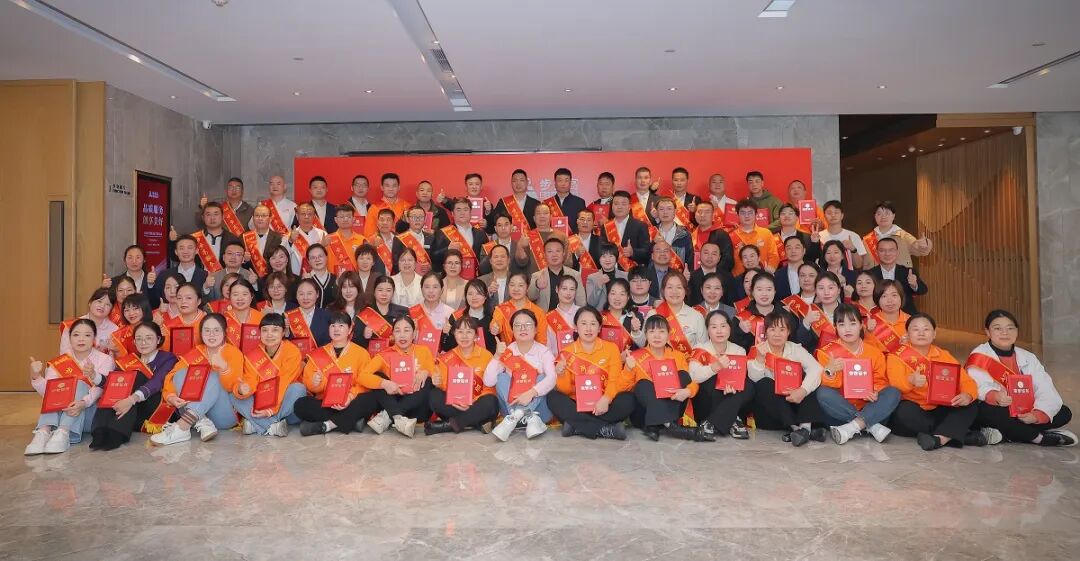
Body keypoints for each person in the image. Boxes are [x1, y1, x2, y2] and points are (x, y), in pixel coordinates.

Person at [886, 313, 999, 450]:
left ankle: (940, 439)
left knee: (970, 403)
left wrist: (967, 395)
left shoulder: (943, 355)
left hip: (940, 407)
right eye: (915, 329)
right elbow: (895, 383)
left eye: (926, 329)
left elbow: (966, 381)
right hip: (914, 409)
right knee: (904, 412)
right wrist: (910, 381)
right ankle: (960, 435)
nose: (921, 333)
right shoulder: (896, 356)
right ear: (907, 334)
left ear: (934, 334)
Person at [967, 309, 1075, 446]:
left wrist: (1037, 415)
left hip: (1024, 411)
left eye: (1010, 328)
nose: (1005, 333)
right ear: (988, 332)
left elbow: (1045, 388)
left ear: (1017, 331)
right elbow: (977, 386)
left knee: (1063, 412)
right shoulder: (980, 355)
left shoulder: (1028, 357)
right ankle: (1037, 437)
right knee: (988, 412)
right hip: (998, 408)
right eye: (998, 328)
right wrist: (995, 396)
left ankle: (1008, 434)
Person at [151, 314, 244, 445]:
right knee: (180, 374)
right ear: (201, 333)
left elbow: (232, 387)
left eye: (216, 330)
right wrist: (170, 396)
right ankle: (201, 420)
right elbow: (172, 376)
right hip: (200, 416)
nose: (211, 334)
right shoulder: (196, 352)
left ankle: (183, 426)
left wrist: (223, 368)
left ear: (225, 332)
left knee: (213, 376)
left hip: (224, 413)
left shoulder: (233, 352)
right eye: (207, 330)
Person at [25, 319, 114, 455]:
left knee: (79, 383)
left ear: (94, 338)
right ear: (70, 338)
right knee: (55, 387)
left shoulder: (105, 360)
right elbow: (48, 393)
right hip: (61, 412)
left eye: (87, 335)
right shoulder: (60, 361)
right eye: (76, 335)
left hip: (89, 413)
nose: (81, 339)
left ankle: (63, 432)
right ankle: (43, 432)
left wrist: (83, 403)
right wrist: (36, 377)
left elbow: (101, 389)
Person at [815, 304, 900, 444]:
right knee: (823, 392)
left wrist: (874, 391)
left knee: (893, 392)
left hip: (870, 407)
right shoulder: (827, 353)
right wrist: (830, 371)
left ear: (861, 325)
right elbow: (830, 386)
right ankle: (870, 426)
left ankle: (852, 427)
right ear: (835, 327)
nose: (847, 329)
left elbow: (881, 382)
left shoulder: (875, 353)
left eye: (852, 323)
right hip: (841, 410)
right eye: (841, 324)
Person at [89, 321, 178, 450]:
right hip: (133, 413)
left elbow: (157, 382)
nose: (143, 342)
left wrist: (131, 400)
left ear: (158, 339)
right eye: (139, 339)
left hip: (154, 408)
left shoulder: (168, 358)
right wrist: (94, 375)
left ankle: (117, 433)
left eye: (149, 338)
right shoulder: (130, 360)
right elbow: (113, 382)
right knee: (116, 386)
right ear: (134, 342)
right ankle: (100, 430)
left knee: (137, 376)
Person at [548, 307, 633, 440]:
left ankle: (577, 426)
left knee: (629, 399)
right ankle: (605, 429)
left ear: (599, 328)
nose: (588, 328)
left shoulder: (611, 348)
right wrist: (561, 374)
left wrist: (606, 399)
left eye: (593, 324)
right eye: (583, 323)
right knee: (553, 397)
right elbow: (565, 390)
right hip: (577, 404)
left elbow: (614, 380)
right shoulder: (567, 352)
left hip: (604, 403)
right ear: (576, 327)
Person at [747, 311, 827, 446]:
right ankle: (799, 430)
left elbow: (816, 368)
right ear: (765, 332)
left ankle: (805, 428)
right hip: (772, 413)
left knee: (807, 379)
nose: (777, 334)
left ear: (788, 332)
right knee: (764, 383)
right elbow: (754, 379)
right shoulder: (757, 350)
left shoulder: (795, 348)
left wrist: (803, 390)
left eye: (782, 329)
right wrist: (760, 359)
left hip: (795, 403)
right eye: (772, 329)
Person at [294, 311, 378, 436]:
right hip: (326, 402)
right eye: (333, 326)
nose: (336, 329)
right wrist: (315, 383)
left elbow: (365, 383)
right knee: (301, 405)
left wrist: (349, 397)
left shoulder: (361, 353)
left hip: (351, 401)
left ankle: (328, 425)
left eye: (341, 326)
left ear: (350, 330)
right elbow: (309, 384)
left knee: (371, 399)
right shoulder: (318, 354)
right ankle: (352, 420)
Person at [627, 315, 705, 441]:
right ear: (646, 335)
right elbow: (622, 388)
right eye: (652, 331)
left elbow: (692, 382)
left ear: (669, 335)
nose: (657, 336)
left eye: (661, 331)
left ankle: (653, 426)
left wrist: (688, 391)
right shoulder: (635, 357)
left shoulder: (678, 356)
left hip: (673, 409)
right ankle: (670, 426)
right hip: (643, 413)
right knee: (642, 384)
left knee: (683, 375)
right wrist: (628, 369)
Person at [358, 315, 438, 437]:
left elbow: (436, 375)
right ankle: (399, 418)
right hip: (393, 402)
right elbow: (362, 376)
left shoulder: (424, 351)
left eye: (406, 330)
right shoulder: (384, 355)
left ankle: (388, 417)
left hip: (417, 410)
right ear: (392, 335)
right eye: (398, 331)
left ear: (414, 334)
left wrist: (426, 372)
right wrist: (384, 383)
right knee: (378, 376)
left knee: (428, 380)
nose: (402, 335)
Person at [484, 309, 556, 441]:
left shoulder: (544, 352)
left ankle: (520, 415)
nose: (523, 328)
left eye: (528, 324)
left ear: (535, 329)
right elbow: (489, 381)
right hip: (509, 410)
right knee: (501, 377)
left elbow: (552, 379)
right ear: (512, 330)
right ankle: (518, 415)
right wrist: (497, 356)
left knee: (542, 377)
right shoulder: (508, 351)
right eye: (517, 325)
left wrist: (532, 393)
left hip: (540, 413)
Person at [230, 314, 307, 437]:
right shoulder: (252, 356)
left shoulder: (292, 352)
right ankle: (273, 426)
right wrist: (243, 389)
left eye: (275, 330)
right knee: (235, 395)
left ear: (283, 332)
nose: (269, 334)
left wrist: (271, 410)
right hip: (261, 403)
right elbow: (250, 381)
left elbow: (283, 382)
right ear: (259, 333)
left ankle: (257, 424)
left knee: (298, 388)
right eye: (265, 330)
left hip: (286, 406)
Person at [426, 316, 501, 435]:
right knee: (434, 395)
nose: (464, 336)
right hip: (455, 405)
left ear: (476, 335)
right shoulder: (447, 358)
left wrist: (472, 401)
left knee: (491, 401)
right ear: (454, 334)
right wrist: (454, 400)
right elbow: (443, 386)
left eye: (469, 332)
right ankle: (475, 421)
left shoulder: (486, 356)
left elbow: (490, 388)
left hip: (477, 404)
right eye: (460, 332)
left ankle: (451, 425)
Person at [688, 310, 753, 440]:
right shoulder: (700, 348)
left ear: (730, 328)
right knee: (712, 379)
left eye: (723, 326)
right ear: (708, 330)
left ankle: (711, 423)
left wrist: (733, 387)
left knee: (749, 386)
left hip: (730, 396)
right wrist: (714, 367)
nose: (719, 331)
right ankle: (733, 420)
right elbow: (693, 377)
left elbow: (739, 378)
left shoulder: (738, 350)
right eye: (714, 327)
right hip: (706, 403)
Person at [731, 272, 815, 351]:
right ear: (752, 292)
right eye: (759, 289)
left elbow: (797, 342)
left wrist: (806, 323)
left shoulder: (785, 314)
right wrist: (741, 331)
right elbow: (736, 350)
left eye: (769, 289)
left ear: (774, 291)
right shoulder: (742, 319)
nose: (764, 294)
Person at [868, 236, 927, 315]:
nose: (887, 254)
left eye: (891, 250)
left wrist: (914, 285)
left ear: (897, 252)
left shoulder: (908, 272)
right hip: (878, 316)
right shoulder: (870, 274)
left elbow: (923, 290)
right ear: (877, 252)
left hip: (906, 315)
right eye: (882, 250)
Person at [863, 200, 932, 268]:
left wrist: (924, 245)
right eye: (879, 214)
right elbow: (862, 262)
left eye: (887, 213)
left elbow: (917, 248)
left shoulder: (903, 236)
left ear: (893, 216)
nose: (883, 216)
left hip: (899, 275)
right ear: (875, 216)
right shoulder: (867, 239)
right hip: (874, 275)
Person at [647, 272, 705, 352]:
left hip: (688, 360)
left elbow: (703, 349)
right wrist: (636, 332)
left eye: (679, 287)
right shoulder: (653, 314)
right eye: (670, 287)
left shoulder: (696, 316)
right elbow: (643, 344)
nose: (674, 292)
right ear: (663, 291)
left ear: (685, 291)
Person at [432, 198, 488, 276]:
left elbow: (486, 258)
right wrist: (447, 249)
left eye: (465, 209)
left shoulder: (480, 233)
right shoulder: (443, 233)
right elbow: (433, 257)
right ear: (452, 213)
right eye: (458, 210)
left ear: (470, 212)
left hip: (475, 278)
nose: (462, 213)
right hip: (451, 277)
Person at [514, 204, 572, 278]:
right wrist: (520, 246)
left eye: (545, 213)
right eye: (538, 213)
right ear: (534, 218)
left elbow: (568, 262)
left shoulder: (561, 236)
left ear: (551, 217)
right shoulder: (526, 237)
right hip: (533, 280)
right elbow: (521, 262)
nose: (542, 216)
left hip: (558, 279)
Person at [528, 237, 585, 310]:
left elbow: (581, 302)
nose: (554, 255)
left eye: (558, 251)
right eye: (550, 251)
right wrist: (537, 285)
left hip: (568, 316)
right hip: (545, 316)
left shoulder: (575, 275)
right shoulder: (537, 275)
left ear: (563, 253)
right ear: (544, 255)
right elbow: (530, 297)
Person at [443, 279, 498, 354]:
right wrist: (446, 333)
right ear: (466, 296)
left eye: (478, 293)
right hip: (461, 359)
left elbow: (497, 346)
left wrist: (496, 332)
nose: (474, 297)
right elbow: (447, 347)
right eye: (470, 294)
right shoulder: (456, 317)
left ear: (485, 296)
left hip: (487, 359)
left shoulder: (493, 317)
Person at [491, 272, 548, 345]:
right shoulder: (501, 309)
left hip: (532, 351)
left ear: (527, 288)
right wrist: (494, 328)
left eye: (521, 285)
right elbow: (495, 324)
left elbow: (541, 341)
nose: (516, 289)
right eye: (512, 285)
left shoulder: (538, 312)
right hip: (508, 351)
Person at [353, 275, 409, 348]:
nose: (384, 294)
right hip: (371, 354)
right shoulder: (365, 313)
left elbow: (408, 338)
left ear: (393, 293)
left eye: (388, 290)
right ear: (374, 291)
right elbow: (355, 343)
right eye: (380, 290)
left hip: (395, 353)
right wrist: (364, 336)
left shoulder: (402, 312)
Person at [730, 199, 780, 277]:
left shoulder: (766, 233)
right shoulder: (731, 236)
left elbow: (774, 256)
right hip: (739, 279)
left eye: (750, 212)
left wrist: (768, 274)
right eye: (743, 213)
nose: (747, 216)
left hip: (762, 277)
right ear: (737, 215)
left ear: (756, 214)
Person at [603, 190, 653, 267]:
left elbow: (647, 252)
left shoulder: (640, 226)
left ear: (630, 206)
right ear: (612, 206)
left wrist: (633, 252)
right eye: (616, 204)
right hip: (609, 270)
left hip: (632, 271)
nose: (619, 207)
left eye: (623, 204)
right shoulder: (606, 226)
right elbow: (601, 250)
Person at [488, 168, 540, 235]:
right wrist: (488, 212)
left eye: (521, 180)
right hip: (508, 240)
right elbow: (492, 224)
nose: (518, 183)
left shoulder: (536, 204)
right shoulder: (503, 203)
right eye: (515, 181)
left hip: (530, 240)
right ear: (511, 183)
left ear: (527, 182)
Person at [242, 204, 288, 279]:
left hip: (272, 279)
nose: (260, 218)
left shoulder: (279, 238)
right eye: (257, 215)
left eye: (264, 216)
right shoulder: (244, 237)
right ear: (253, 218)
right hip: (250, 279)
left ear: (270, 219)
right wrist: (244, 260)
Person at [820, 200, 868, 270]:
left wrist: (853, 249)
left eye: (836, 212)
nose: (833, 215)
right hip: (824, 275)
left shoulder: (853, 236)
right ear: (824, 216)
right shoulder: (819, 237)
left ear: (842, 215)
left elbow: (859, 265)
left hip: (847, 276)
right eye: (829, 213)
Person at [865, 280, 910, 355]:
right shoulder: (870, 323)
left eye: (894, 295)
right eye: (884, 296)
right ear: (877, 299)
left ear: (901, 297)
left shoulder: (911, 322)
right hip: (878, 361)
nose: (889, 300)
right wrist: (868, 332)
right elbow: (866, 352)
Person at [161, 283, 207, 354]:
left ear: (199, 301)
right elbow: (165, 353)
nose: (183, 301)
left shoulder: (208, 322)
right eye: (179, 298)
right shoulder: (169, 326)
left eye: (188, 298)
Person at [690, 202, 736, 273]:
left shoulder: (721, 235)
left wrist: (711, 272)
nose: (702, 215)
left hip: (715, 277)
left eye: (707, 212)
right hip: (694, 276)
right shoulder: (690, 235)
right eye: (699, 212)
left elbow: (728, 260)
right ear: (695, 215)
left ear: (713, 215)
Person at [364, 173, 411, 238]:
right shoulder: (374, 208)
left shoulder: (407, 206)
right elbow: (369, 234)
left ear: (399, 187)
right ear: (382, 187)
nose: (390, 189)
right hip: (382, 243)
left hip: (404, 242)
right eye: (387, 185)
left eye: (394, 186)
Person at [286, 279, 332, 347]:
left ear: (317, 294)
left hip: (320, 353)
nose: (305, 298)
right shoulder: (287, 316)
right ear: (296, 295)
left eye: (309, 293)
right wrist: (286, 332)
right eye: (301, 294)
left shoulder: (327, 316)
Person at [541, 168, 588, 234]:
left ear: (570, 183)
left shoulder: (579, 202)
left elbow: (584, 225)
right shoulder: (546, 204)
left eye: (566, 180)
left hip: (573, 239)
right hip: (551, 239)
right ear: (555, 183)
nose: (563, 183)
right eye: (560, 180)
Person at [604, 278, 646, 350]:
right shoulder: (600, 317)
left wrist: (635, 332)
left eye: (622, 294)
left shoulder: (636, 317)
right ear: (607, 295)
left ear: (628, 297)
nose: (617, 298)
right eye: (613, 293)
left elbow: (643, 346)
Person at [544, 275, 581, 355]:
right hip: (557, 360)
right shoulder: (548, 317)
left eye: (572, 289)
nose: (568, 293)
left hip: (580, 359)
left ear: (576, 291)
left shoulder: (582, 313)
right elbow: (547, 347)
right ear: (557, 289)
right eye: (564, 289)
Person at [689, 241, 734, 306]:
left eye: (714, 254)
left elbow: (731, 302)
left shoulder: (728, 277)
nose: (709, 256)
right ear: (700, 255)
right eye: (706, 253)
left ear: (719, 258)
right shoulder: (690, 277)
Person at [654, 197, 695, 269]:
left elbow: (690, 259)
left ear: (675, 211)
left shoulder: (684, 234)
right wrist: (653, 243)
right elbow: (645, 257)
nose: (665, 212)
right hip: (655, 273)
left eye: (669, 209)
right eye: (661, 209)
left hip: (678, 273)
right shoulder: (651, 232)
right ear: (657, 212)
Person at [322, 205, 364, 275]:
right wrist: (322, 246)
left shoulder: (362, 240)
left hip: (356, 279)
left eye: (348, 216)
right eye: (342, 217)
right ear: (336, 220)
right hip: (334, 279)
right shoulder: (328, 240)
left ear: (354, 219)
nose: (345, 219)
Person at [222, 279, 264, 348]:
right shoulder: (223, 319)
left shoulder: (261, 318)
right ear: (230, 297)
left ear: (252, 296)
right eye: (235, 294)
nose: (240, 298)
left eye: (244, 294)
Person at [109, 293, 154, 357]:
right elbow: (121, 360)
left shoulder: (155, 328)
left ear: (144, 308)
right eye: (127, 310)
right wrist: (116, 352)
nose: (131, 313)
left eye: (135, 308)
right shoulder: (119, 335)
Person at [286, 203, 326, 273]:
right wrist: (290, 241)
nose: (306, 217)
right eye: (303, 214)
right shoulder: (289, 236)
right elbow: (283, 256)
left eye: (310, 214)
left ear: (314, 216)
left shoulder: (323, 234)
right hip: (296, 275)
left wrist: (323, 246)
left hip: (318, 274)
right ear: (297, 216)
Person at [774, 234, 817, 300]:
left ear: (804, 251)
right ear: (784, 252)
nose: (793, 251)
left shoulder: (816, 271)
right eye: (789, 248)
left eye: (797, 247)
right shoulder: (777, 275)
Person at [396, 206, 436, 275]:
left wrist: (430, 267)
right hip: (406, 276)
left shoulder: (431, 237)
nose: (417, 220)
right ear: (408, 219)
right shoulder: (399, 238)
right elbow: (395, 262)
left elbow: (435, 260)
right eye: (414, 217)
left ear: (425, 219)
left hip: (426, 277)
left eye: (420, 217)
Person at [585, 245, 627, 309]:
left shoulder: (625, 276)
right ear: (599, 259)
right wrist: (599, 284)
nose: (607, 260)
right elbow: (591, 303)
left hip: (620, 312)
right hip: (600, 313)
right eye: (603, 256)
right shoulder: (592, 278)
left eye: (611, 256)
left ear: (616, 258)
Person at [368, 208, 404, 274]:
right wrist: (373, 248)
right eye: (382, 220)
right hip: (378, 277)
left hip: (398, 277)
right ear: (377, 223)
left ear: (393, 223)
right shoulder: (371, 240)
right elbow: (366, 262)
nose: (385, 223)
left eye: (388, 220)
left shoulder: (401, 239)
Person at [569, 209, 603, 275]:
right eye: (582, 219)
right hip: (574, 277)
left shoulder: (601, 241)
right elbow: (565, 264)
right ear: (577, 221)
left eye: (589, 220)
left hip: (596, 278)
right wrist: (576, 255)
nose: (585, 222)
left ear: (593, 223)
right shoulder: (569, 241)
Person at [303, 244, 337, 308]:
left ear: (326, 257)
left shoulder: (336, 279)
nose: (317, 260)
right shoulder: (304, 280)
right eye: (313, 258)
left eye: (320, 256)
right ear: (308, 261)